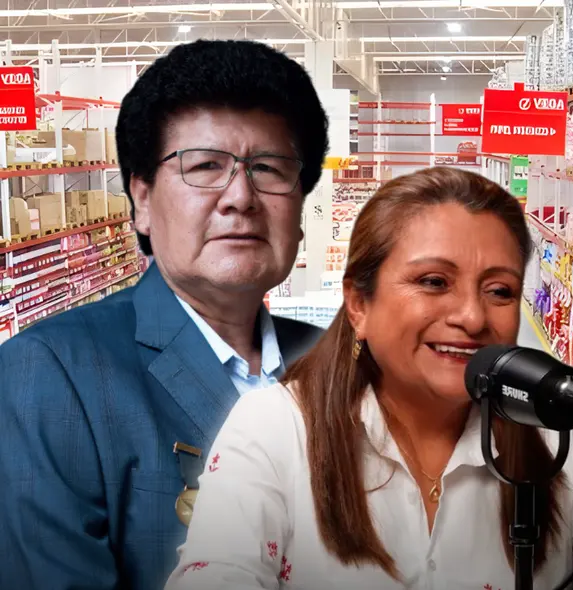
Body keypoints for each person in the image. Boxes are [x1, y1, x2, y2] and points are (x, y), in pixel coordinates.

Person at [166, 167, 573, 590]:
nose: (471, 316)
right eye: (434, 282)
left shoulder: (559, 448)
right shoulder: (274, 432)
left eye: (499, 290)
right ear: (359, 304)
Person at [0, 40, 328, 590]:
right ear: (143, 201)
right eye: (205, 166)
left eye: (269, 168)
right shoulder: (48, 375)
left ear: (299, 210)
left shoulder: (337, 360)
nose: (240, 197)